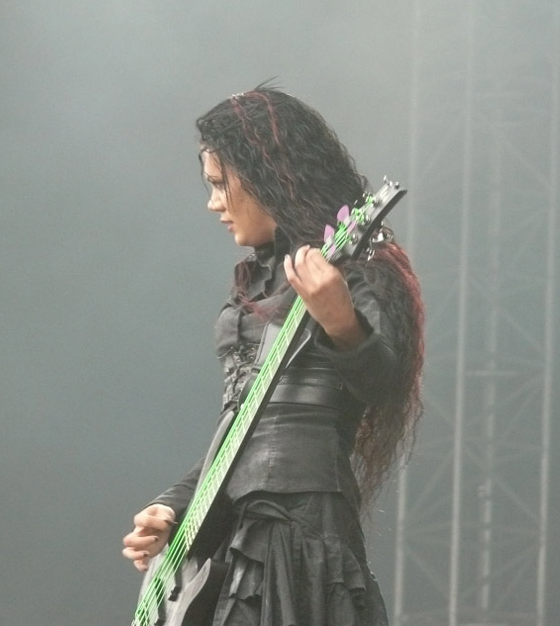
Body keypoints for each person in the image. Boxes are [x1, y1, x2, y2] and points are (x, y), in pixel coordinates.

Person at [122, 86, 424, 626]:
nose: (213, 202)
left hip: (299, 533)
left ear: (270, 177)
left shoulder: (356, 270)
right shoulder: (256, 283)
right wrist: (174, 506)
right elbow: (241, 431)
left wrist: (341, 322)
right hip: (233, 533)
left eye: (221, 184)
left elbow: (382, 382)